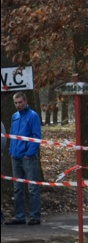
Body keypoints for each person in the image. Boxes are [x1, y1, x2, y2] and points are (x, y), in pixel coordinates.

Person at [9, 92, 42, 225]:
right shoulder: (14, 116)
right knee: (17, 188)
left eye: (20, 102)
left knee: (32, 187)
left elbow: (36, 136)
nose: (18, 105)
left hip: (28, 157)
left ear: (25, 101)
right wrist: (11, 151)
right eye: (16, 103)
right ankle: (19, 216)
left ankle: (35, 216)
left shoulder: (33, 116)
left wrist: (29, 153)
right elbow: (12, 135)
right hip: (15, 156)